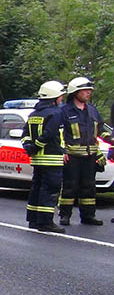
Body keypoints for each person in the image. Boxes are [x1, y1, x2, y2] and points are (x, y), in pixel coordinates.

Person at [21, 80, 66, 233]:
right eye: (60, 96)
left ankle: (33, 219)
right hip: (52, 159)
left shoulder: (34, 114)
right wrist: (35, 147)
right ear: (55, 98)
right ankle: (46, 222)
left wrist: (29, 148)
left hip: (37, 160)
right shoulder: (56, 113)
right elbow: (49, 134)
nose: (61, 99)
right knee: (50, 190)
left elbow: (25, 135)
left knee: (37, 188)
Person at [58, 77, 104, 226]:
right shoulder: (64, 111)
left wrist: (111, 139)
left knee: (89, 187)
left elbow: (101, 130)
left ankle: (88, 215)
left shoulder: (92, 110)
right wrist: (62, 150)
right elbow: (59, 133)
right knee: (70, 186)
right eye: (85, 90)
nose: (88, 93)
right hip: (72, 156)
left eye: (89, 90)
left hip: (90, 156)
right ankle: (65, 215)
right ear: (75, 92)